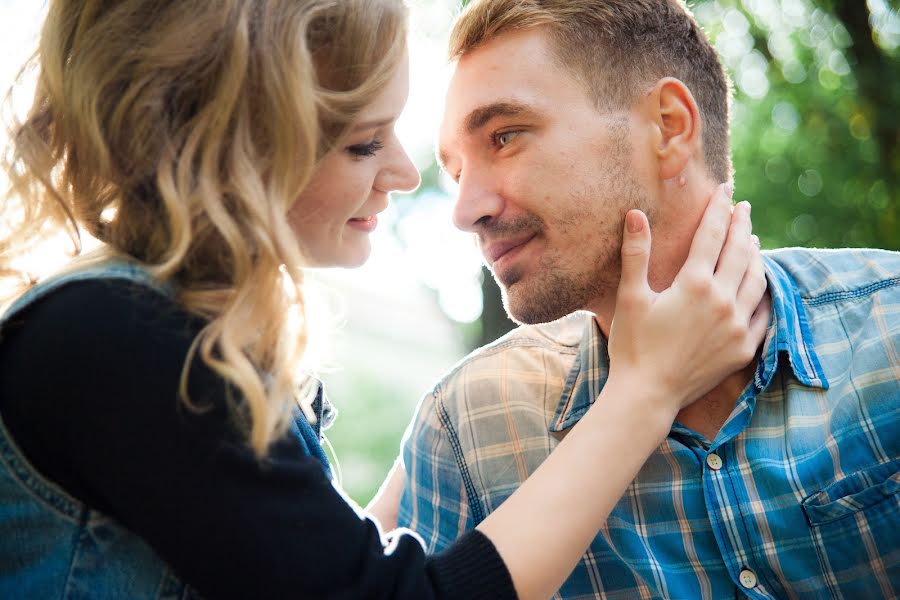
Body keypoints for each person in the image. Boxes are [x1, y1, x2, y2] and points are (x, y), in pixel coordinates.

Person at [0, 1, 767, 599]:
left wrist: (446, 427)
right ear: (236, 150)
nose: (406, 175)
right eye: (363, 142)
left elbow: (285, 566)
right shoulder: (110, 339)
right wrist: (646, 390)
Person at [398, 1, 900, 599]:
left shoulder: (889, 329)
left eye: (504, 137)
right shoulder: (466, 427)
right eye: (455, 173)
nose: (465, 210)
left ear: (669, 126)